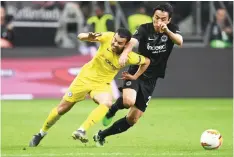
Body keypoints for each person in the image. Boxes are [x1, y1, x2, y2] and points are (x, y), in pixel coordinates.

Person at [29, 28, 150, 147]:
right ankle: (40, 133)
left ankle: (82, 130)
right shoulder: (107, 37)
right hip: (84, 79)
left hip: (101, 84)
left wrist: (135, 76)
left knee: (107, 102)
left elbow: (147, 61)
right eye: (115, 40)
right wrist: (87, 37)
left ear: (125, 45)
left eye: (119, 43)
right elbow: (80, 36)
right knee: (62, 109)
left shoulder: (129, 57)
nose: (114, 43)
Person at [93, 3, 183, 147]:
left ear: (169, 20)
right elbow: (132, 42)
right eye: (156, 17)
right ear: (152, 16)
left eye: (163, 19)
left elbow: (179, 42)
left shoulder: (172, 29)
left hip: (151, 79)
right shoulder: (144, 28)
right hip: (136, 71)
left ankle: (101, 135)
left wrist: (167, 32)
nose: (158, 21)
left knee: (132, 119)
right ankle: (112, 110)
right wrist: (125, 54)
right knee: (128, 101)